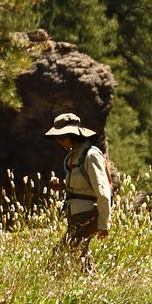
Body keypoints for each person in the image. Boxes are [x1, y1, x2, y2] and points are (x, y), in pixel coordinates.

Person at [45, 112, 112, 268]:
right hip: (76, 213)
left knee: (61, 254)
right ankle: (92, 280)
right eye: (57, 138)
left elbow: (102, 191)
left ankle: (52, 279)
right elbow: (83, 186)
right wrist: (62, 186)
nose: (59, 142)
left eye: (62, 137)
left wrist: (103, 224)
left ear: (72, 136)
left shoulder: (91, 156)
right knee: (81, 255)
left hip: (88, 213)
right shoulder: (73, 156)